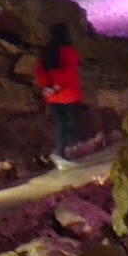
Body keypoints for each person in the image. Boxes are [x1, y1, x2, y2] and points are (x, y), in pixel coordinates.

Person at [35, 23, 85, 168]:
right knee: (70, 124)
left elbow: (40, 71)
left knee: (62, 124)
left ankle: (62, 153)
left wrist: (47, 87)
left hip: (52, 96)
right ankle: (61, 153)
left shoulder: (47, 53)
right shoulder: (69, 52)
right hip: (67, 94)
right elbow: (69, 72)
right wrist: (56, 86)